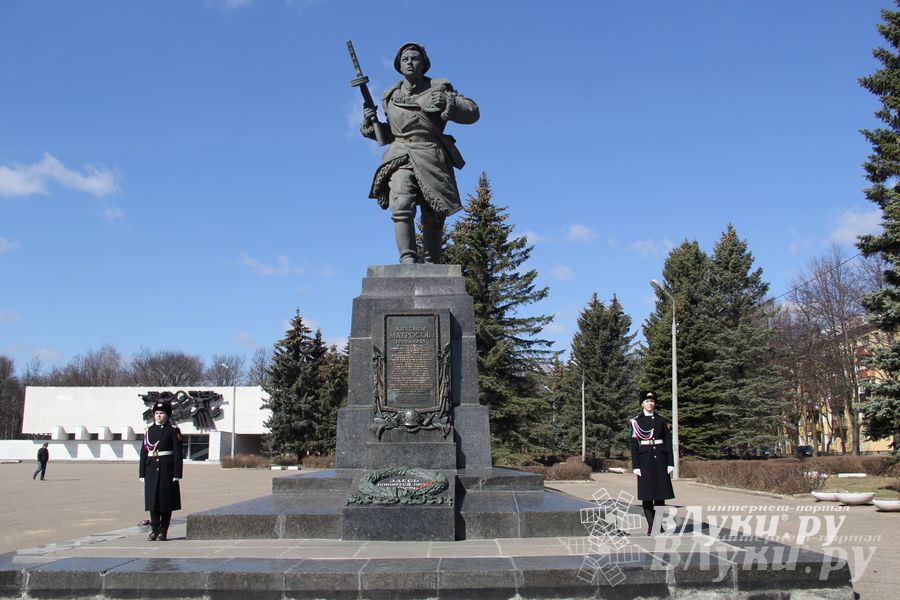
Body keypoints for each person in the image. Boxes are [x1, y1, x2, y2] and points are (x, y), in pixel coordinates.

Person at [361, 42, 479, 264]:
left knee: (433, 214)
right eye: (405, 59)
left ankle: (431, 260)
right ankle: (407, 258)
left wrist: (448, 103)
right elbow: (391, 132)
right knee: (401, 202)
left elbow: (472, 112)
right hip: (401, 154)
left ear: (424, 64)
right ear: (398, 65)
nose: (409, 62)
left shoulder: (439, 88)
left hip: (431, 154)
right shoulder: (390, 96)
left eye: (414, 58)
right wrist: (370, 126)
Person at [629, 391, 675, 535]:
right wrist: (635, 465)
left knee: (660, 495)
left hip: (660, 460)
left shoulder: (662, 420)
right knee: (647, 495)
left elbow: (668, 442)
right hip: (644, 461)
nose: (650, 404)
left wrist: (670, 462)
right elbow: (634, 445)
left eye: (652, 401)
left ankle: (658, 525)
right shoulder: (636, 422)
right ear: (642, 403)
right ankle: (652, 526)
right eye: (647, 401)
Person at [139, 400, 183, 541]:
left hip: (166, 469)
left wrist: (177, 473)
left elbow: (177, 452)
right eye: (156, 413)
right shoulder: (149, 430)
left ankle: (164, 530)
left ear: (167, 415)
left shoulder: (172, 430)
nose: (159, 416)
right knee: (152, 502)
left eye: (162, 413)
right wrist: (142, 473)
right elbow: (144, 453)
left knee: (165, 502)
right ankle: (154, 529)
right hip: (151, 469)